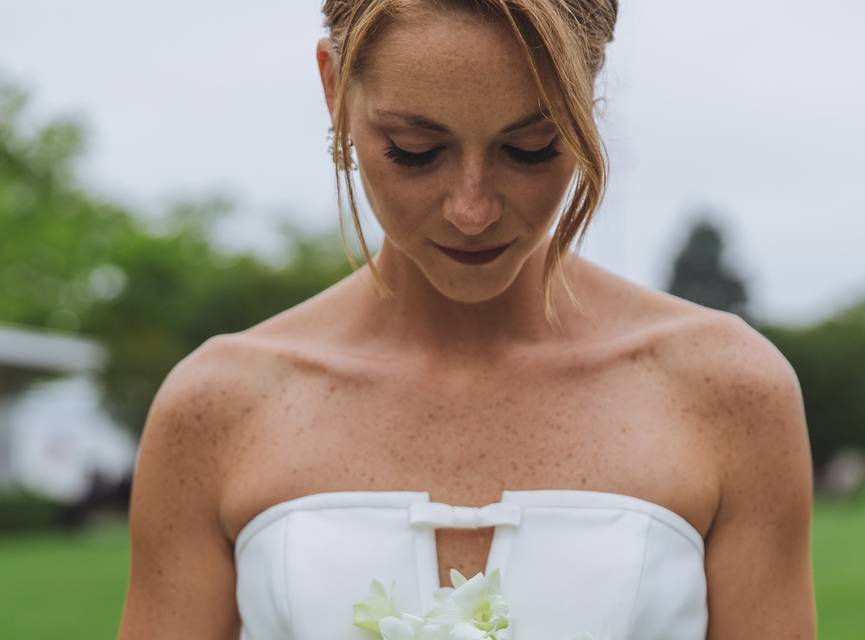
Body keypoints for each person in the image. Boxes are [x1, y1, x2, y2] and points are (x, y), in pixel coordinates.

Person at [119, 1, 816, 638]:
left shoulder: (726, 392)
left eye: (532, 147)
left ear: (589, 98)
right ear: (335, 89)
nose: (472, 209)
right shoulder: (218, 407)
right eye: (415, 151)